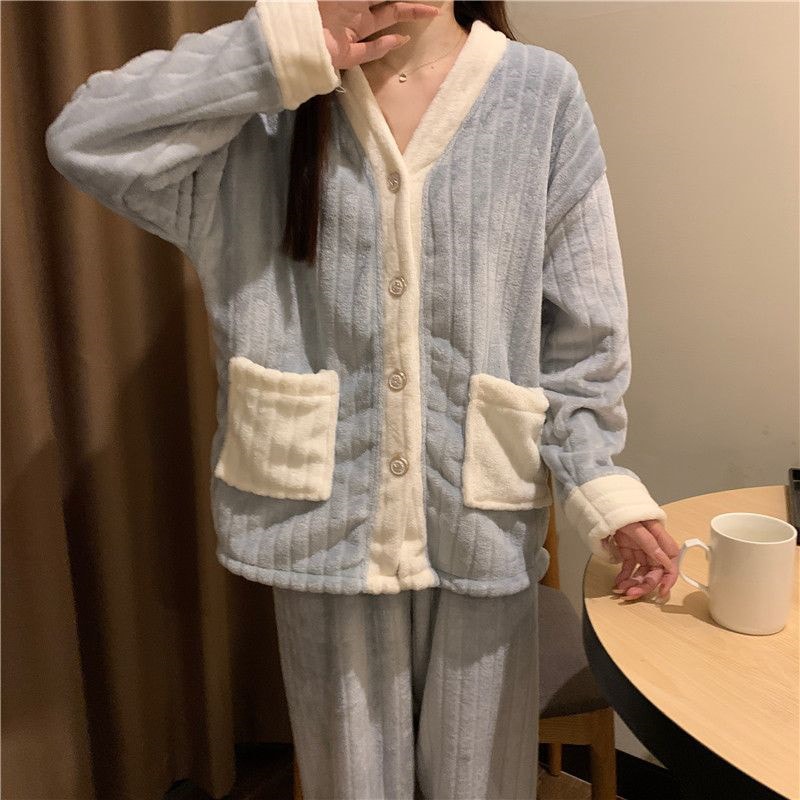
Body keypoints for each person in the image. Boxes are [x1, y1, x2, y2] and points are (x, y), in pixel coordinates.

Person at [45, 1, 681, 797]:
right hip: (323, 522)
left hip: (479, 518)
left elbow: (585, 332)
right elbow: (87, 138)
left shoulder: (539, 94)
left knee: (481, 785)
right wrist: (287, 45)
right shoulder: (269, 106)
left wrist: (599, 484)